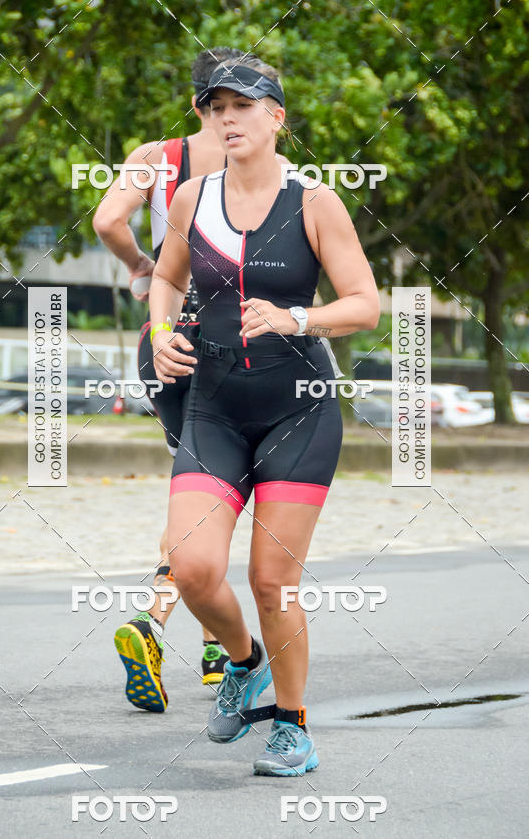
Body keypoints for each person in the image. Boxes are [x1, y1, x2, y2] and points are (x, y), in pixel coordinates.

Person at [148, 54, 380, 774]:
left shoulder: (316, 203)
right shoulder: (191, 199)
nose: (226, 118)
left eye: (242, 105)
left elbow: (366, 306)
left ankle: (292, 725)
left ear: (277, 116)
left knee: (271, 580)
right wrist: (160, 335)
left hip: (299, 414)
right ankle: (243, 663)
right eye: (213, 107)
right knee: (190, 567)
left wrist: (294, 318)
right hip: (213, 411)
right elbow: (164, 275)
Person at [93, 47, 246, 712]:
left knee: (197, 485)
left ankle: (204, 641)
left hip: (164, 341)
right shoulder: (263, 163)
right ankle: (162, 627)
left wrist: (140, 271)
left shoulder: (157, 155)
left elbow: (106, 219)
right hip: (232, 344)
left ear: (193, 102)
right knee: (222, 492)